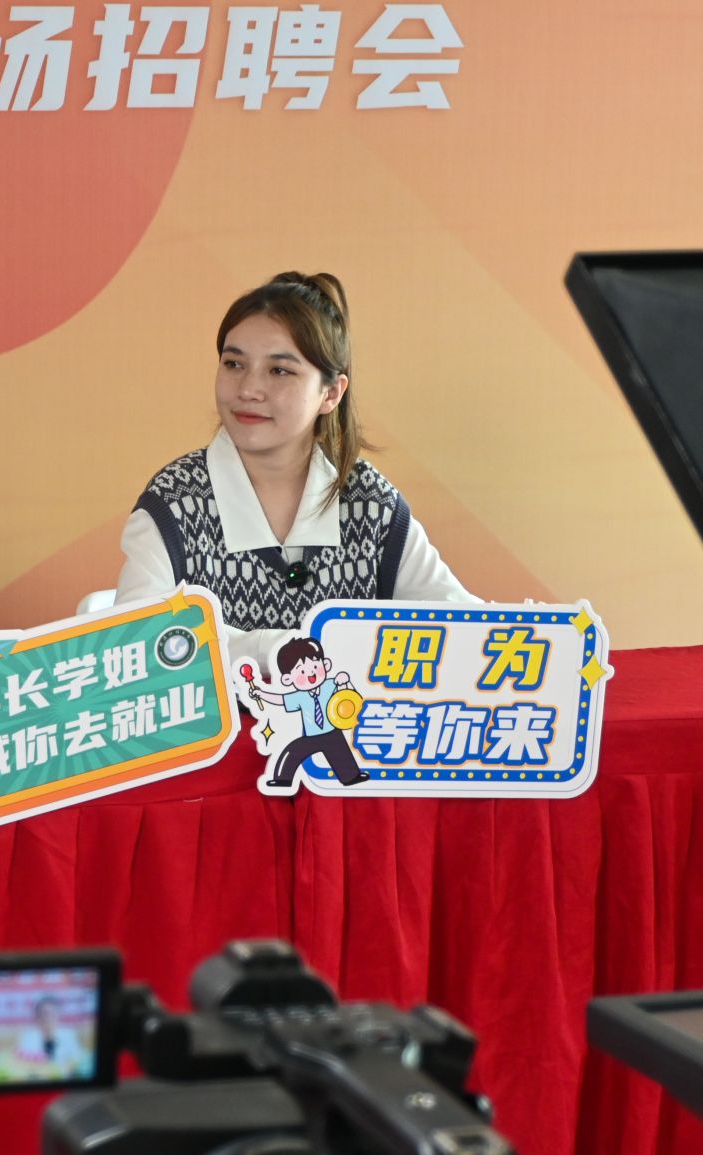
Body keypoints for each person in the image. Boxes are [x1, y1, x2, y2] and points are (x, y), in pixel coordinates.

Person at [116, 271, 473, 673]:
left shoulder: (370, 504)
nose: (247, 389)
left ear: (331, 393)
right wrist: (281, 649)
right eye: (234, 364)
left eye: (279, 371)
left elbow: (463, 628)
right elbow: (138, 647)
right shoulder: (175, 500)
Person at [249, 637, 368, 787]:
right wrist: (261, 694)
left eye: (315, 667)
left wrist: (345, 681)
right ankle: (282, 780)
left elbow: (350, 697)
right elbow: (280, 700)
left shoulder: (330, 684)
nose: (311, 674)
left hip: (332, 732)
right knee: (291, 752)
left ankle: (351, 777)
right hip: (311, 736)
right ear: (287, 679)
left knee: (342, 755)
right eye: (302, 671)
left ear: (326, 665)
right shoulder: (299, 696)